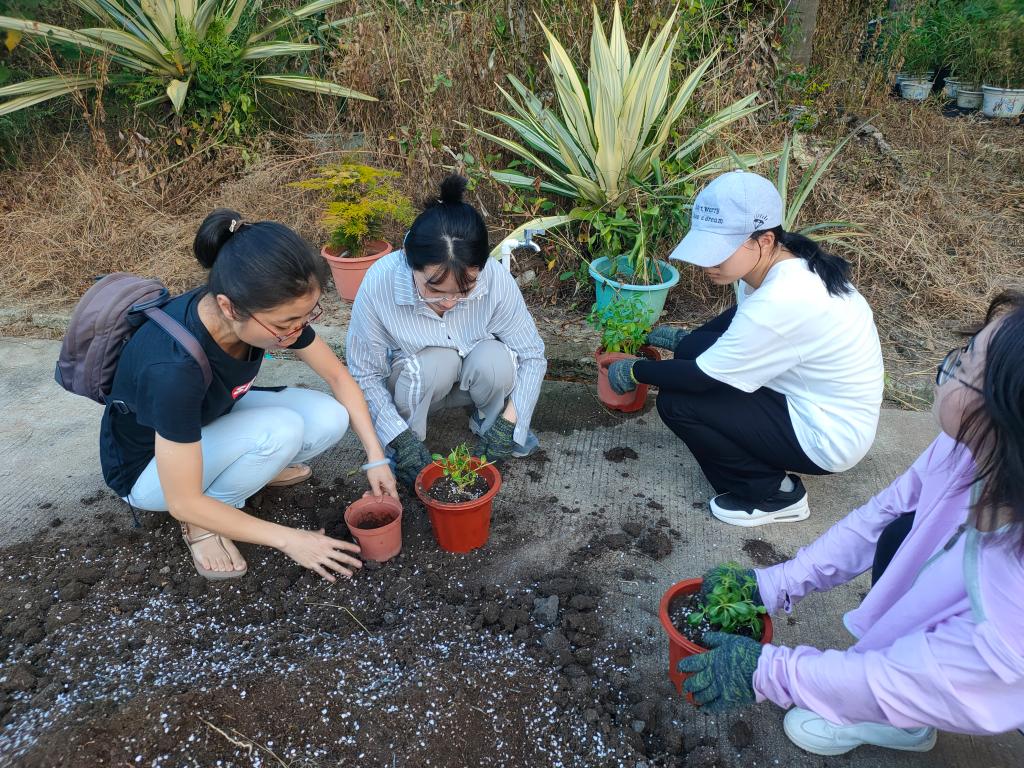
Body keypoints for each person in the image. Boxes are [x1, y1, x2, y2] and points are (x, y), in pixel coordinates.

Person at [676, 291, 1024, 756]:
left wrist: (771, 672)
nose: (950, 364)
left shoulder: (1011, 601)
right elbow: (881, 517)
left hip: (1005, 671)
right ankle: (906, 722)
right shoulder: (974, 448)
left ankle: (899, 722)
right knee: (903, 533)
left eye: (966, 364)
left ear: (1006, 412)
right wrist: (773, 584)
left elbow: (924, 679)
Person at [100, 209, 398, 581]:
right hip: (148, 474)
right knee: (281, 430)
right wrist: (292, 540)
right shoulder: (173, 369)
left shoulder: (261, 309)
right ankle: (206, 524)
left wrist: (375, 456)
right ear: (228, 306)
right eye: (285, 325)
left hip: (209, 420)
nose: (297, 331)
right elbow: (182, 500)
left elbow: (338, 376)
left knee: (329, 417)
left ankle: (250, 467)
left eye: (305, 318)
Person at [608, 170, 884, 526]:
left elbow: (700, 378)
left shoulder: (784, 298)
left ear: (765, 240)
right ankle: (766, 475)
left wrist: (634, 370)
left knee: (679, 403)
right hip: (804, 395)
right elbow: (736, 327)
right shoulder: (784, 263)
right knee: (692, 350)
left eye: (719, 252)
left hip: (827, 434)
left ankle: (773, 493)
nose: (708, 264)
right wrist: (683, 341)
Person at [346, 175, 546, 489]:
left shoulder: (493, 278)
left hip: (472, 375)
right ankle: (410, 437)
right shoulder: (380, 282)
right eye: (436, 291)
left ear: (481, 268)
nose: (450, 303)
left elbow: (532, 355)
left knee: (495, 359)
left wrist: (510, 424)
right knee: (436, 362)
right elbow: (365, 374)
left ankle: (488, 422)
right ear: (409, 262)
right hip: (416, 382)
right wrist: (397, 438)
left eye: (464, 291)